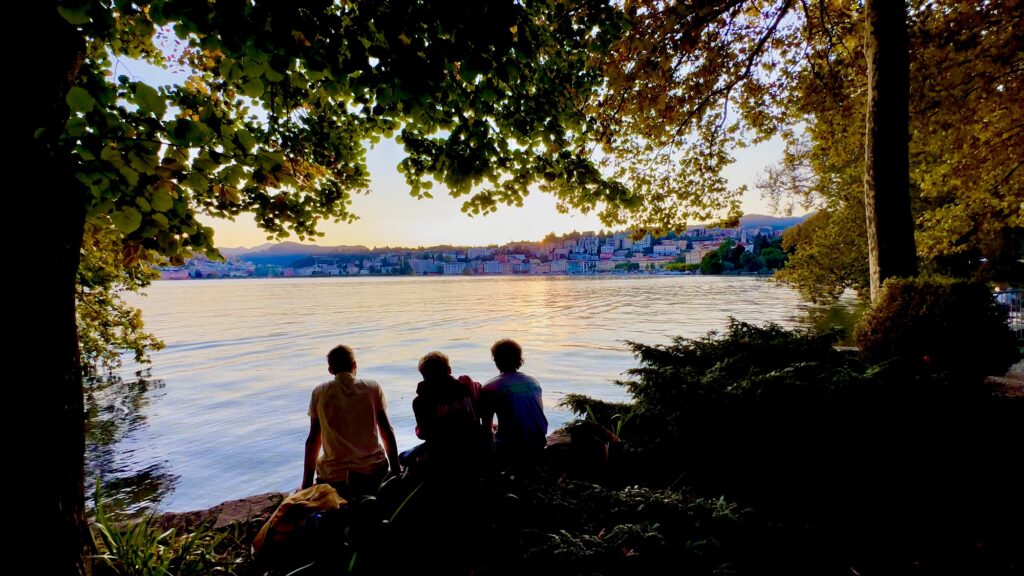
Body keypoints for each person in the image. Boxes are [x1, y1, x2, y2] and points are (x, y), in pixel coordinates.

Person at [301, 344, 401, 500]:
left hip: (335, 478)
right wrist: (396, 469)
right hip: (373, 473)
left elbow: (313, 440)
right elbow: (386, 431)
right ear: (354, 365)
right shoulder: (372, 387)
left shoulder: (319, 392)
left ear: (330, 370)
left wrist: (306, 486)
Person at [410, 351, 488, 476]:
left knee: (404, 457)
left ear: (424, 376)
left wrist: (418, 430)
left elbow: (423, 434)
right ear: (449, 370)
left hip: (441, 455)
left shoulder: (420, 402)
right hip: (474, 448)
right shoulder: (467, 387)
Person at [479, 339, 548, 472]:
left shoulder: (490, 387)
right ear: (520, 359)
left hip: (511, 448)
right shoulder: (533, 382)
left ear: (496, 360)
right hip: (539, 442)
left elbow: (486, 428)